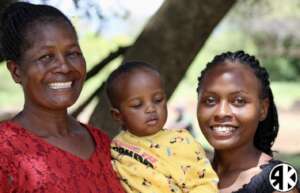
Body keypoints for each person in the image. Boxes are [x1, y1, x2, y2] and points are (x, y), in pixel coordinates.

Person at [0, 2, 125, 193]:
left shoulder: (102, 143)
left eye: (72, 53)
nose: (65, 67)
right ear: (16, 71)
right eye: (46, 57)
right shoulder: (5, 150)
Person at [106, 61, 219, 193]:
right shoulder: (117, 146)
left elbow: (204, 183)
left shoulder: (182, 141)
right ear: (117, 115)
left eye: (158, 100)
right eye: (137, 105)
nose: (151, 108)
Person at [196, 50, 300, 193]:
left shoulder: (279, 180)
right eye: (210, 100)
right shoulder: (187, 172)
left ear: (263, 109)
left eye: (239, 101)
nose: (221, 112)